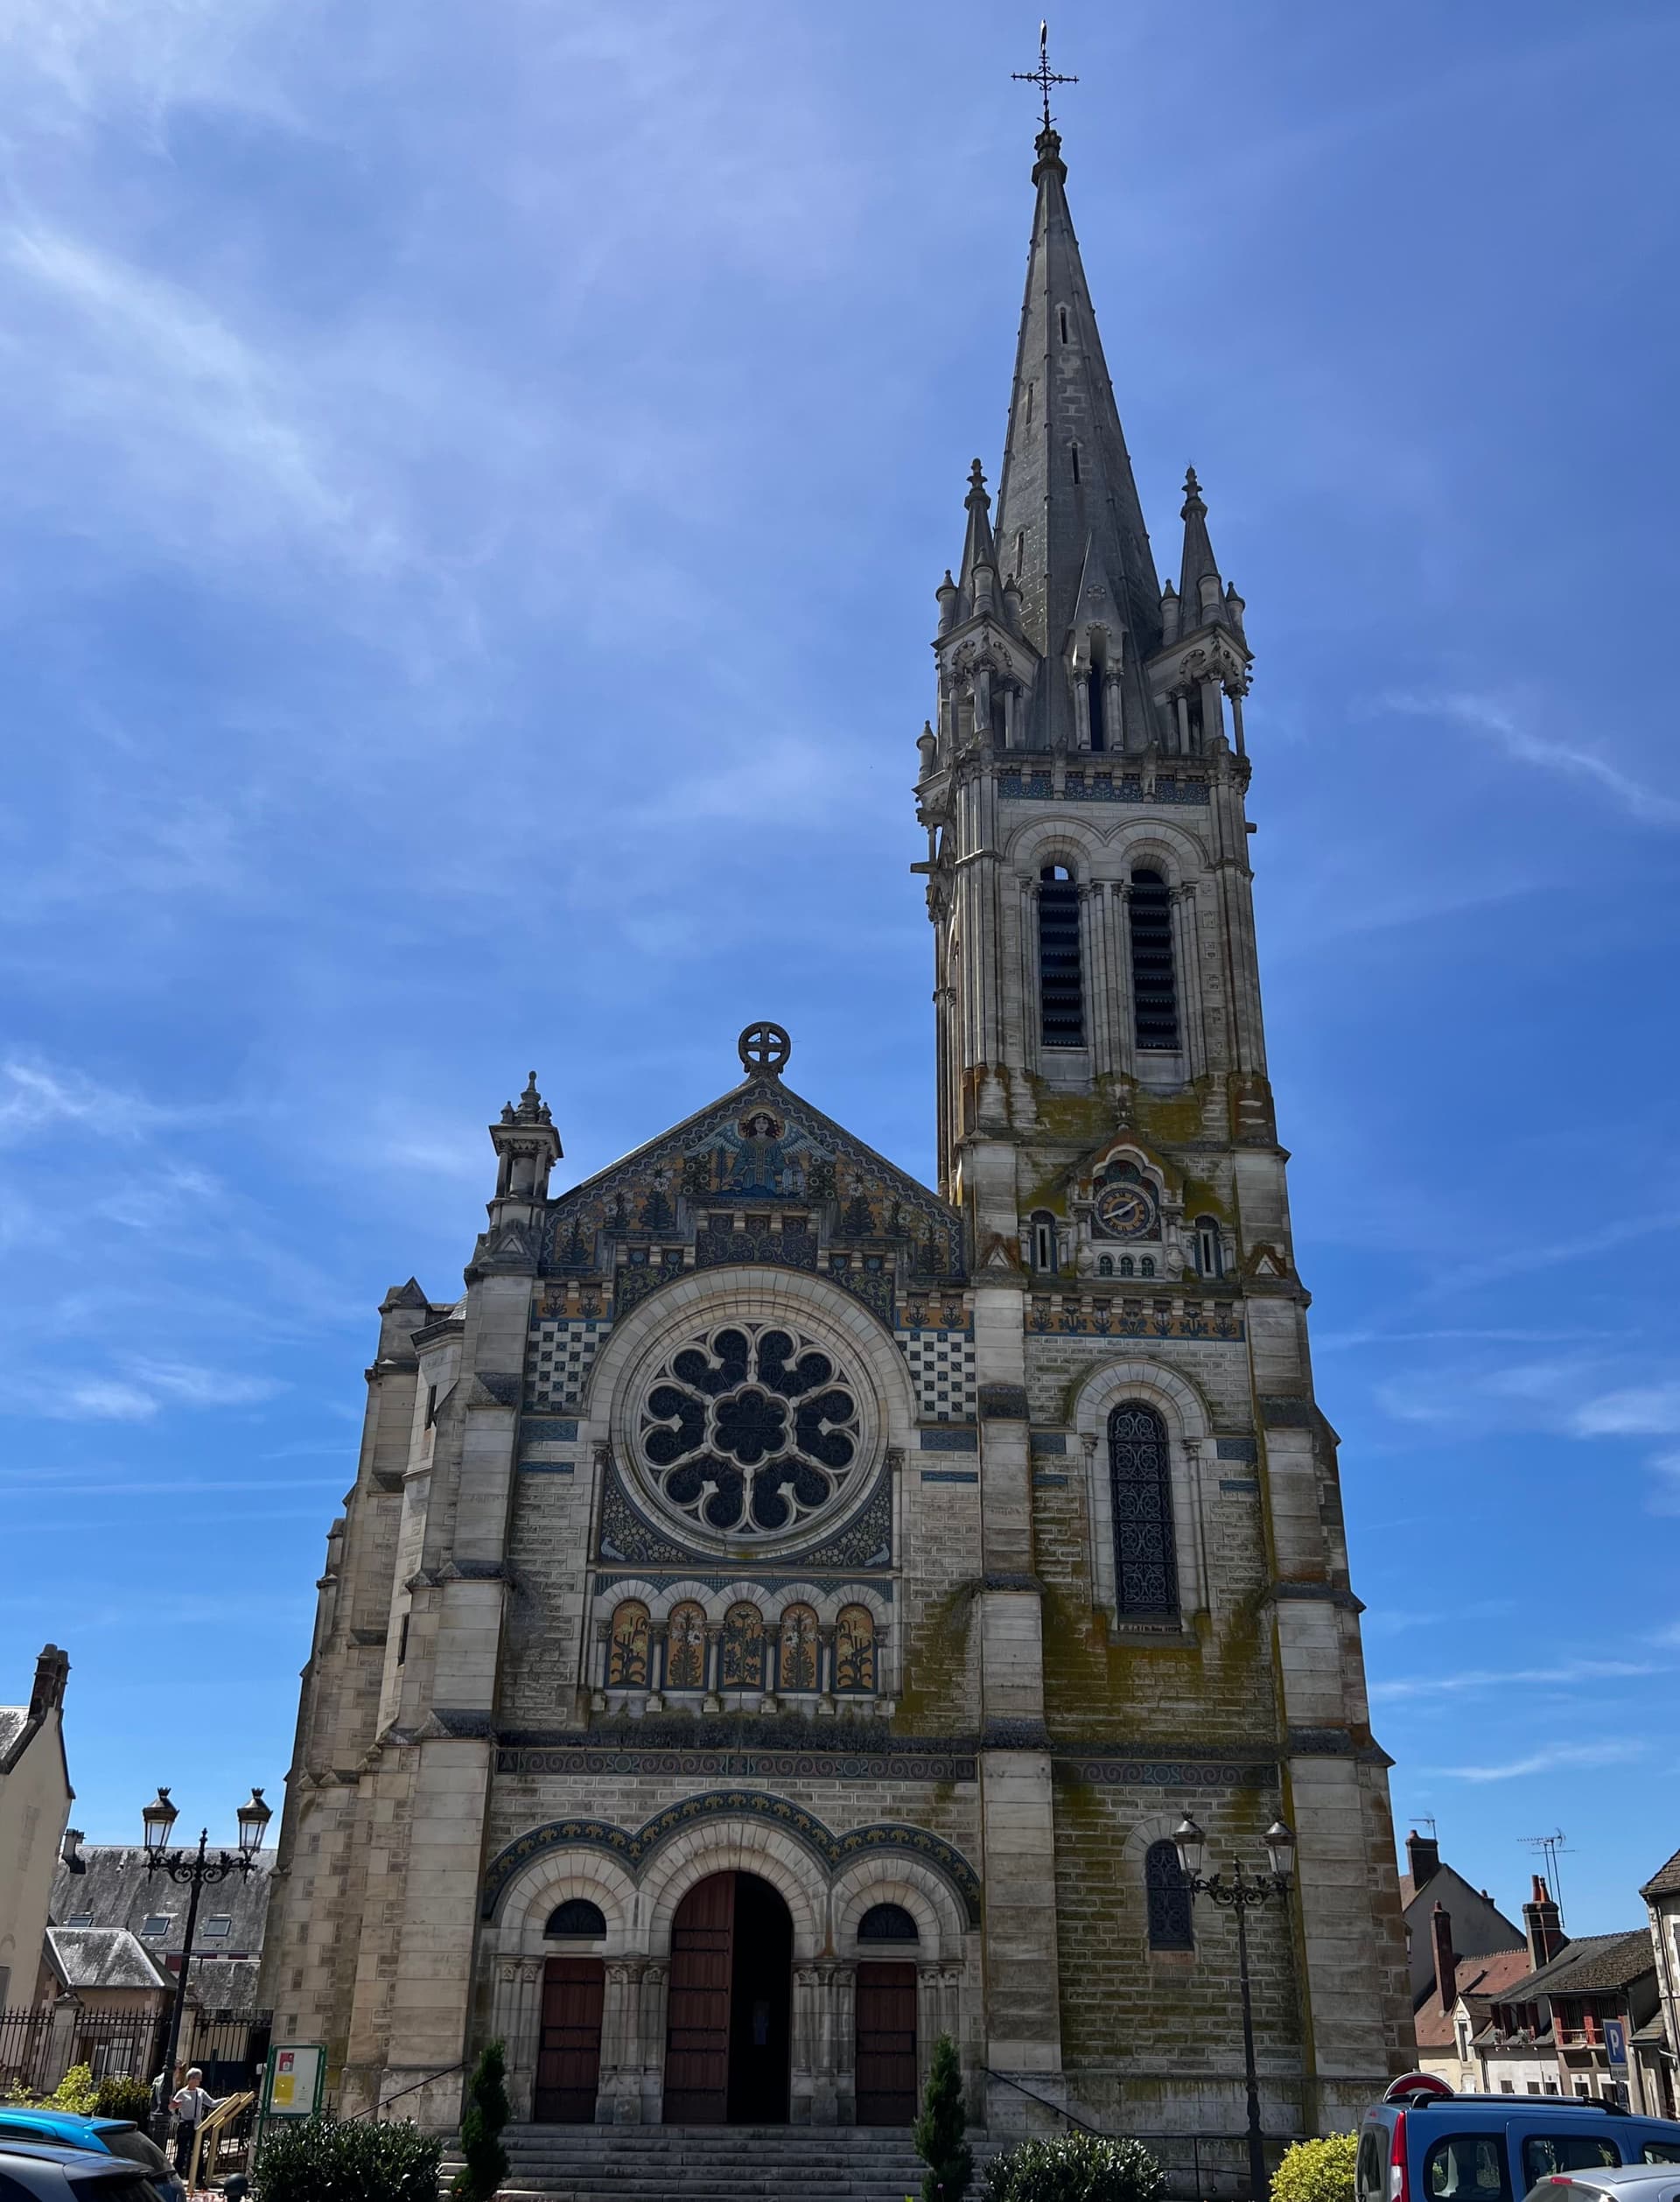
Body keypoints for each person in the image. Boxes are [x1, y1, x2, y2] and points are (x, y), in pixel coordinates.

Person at [169, 2067, 220, 2183]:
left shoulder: (201, 2092)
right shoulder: (182, 2093)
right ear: (191, 2079)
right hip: (185, 2125)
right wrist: (177, 2119)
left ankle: (198, 2179)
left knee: (197, 2153)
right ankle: (177, 2177)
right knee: (181, 2152)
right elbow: (172, 2108)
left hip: (198, 2127)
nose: (200, 2081)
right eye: (198, 2079)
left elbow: (212, 2103)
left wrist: (225, 2100)